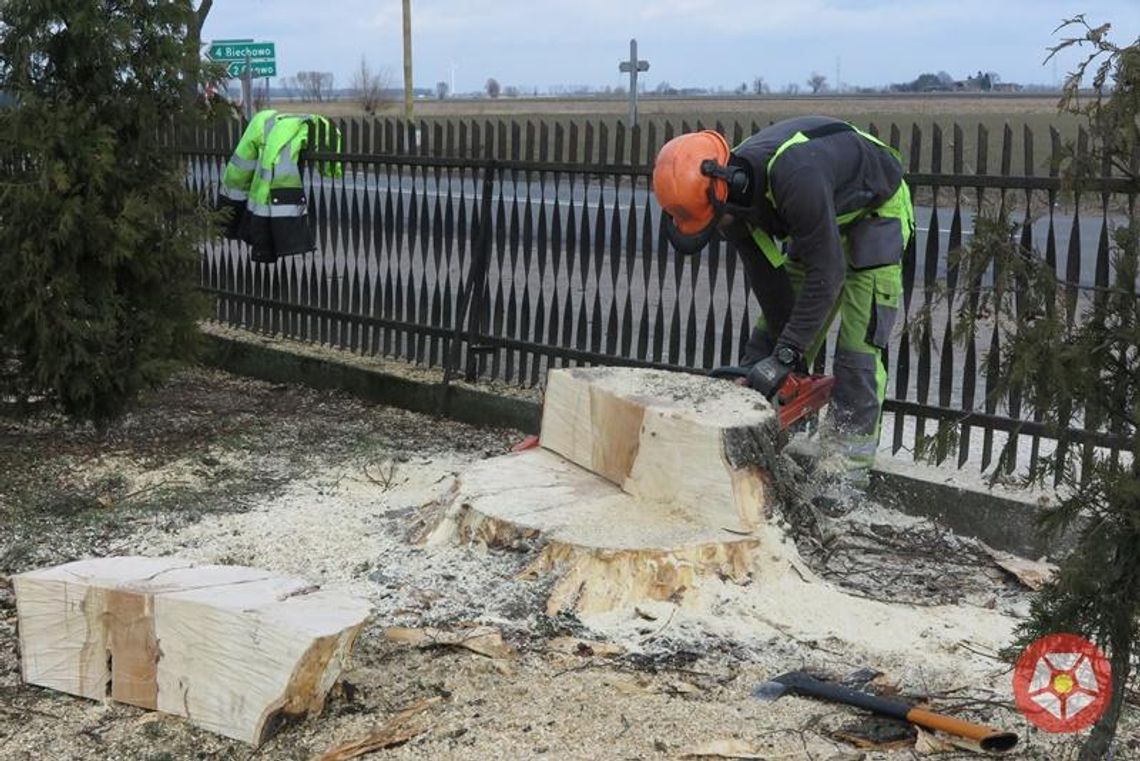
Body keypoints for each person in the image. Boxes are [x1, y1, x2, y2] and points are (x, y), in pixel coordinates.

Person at [651, 116, 914, 486]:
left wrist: (789, 354)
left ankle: (844, 478)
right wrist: (781, 358)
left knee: (857, 352)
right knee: (767, 343)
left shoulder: (794, 176)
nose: (723, 227)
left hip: (873, 213)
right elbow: (768, 275)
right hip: (818, 222)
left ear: (730, 187)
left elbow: (829, 272)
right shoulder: (729, 196)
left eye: (718, 220)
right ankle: (756, 454)